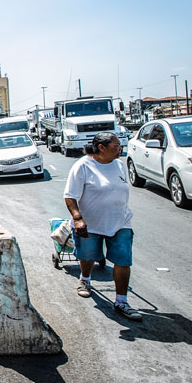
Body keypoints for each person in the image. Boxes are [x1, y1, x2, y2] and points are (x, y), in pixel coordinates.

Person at [63, 132, 141, 321]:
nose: (120, 150)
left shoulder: (119, 164)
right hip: (91, 224)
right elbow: (70, 195)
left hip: (120, 221)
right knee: (88, 256)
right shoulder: (83, 166)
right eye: (115, 147)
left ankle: (121, 301)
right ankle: (85, 279)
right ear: (101, 148)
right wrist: (77, 218)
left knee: (123, 260)